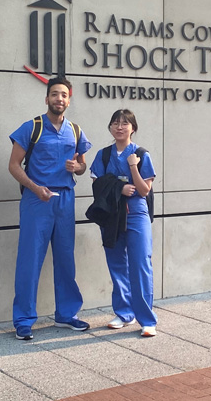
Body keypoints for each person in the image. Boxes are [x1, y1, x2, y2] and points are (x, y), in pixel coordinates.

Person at [8, 76, 92, 340]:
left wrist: (78, 167)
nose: (59, 99)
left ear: (69, 99)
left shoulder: (75, 130)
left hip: (65, 199)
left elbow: (83, 165)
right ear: (47, 98)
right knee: (30, 260)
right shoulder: (31, 127)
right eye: (55, 94)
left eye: (64, 95)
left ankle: (66, 315)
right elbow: (13, 165)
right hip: (37, 201)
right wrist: (35, 189)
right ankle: (23, 320)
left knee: (66, 259)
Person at [89, 109, 158, 337]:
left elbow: (144, 189)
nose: (120, 127)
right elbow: (98, 186)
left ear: (133, 128)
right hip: (112, 214)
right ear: (110, 127)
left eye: (125, 123)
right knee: (117, 264)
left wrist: (132, 167)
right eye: (116, 123)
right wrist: (119, 187)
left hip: (136, 214)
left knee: (140, 265)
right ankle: (123, 313)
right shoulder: (103, 155)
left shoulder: (140, 154)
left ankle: (147, 320)